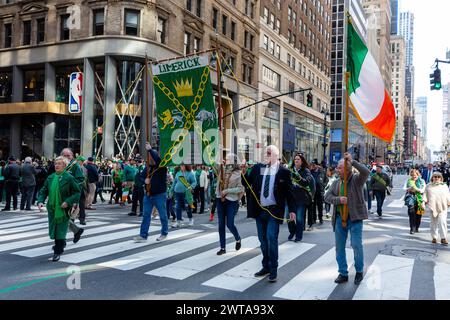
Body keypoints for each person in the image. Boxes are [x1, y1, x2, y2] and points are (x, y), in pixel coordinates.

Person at [246, 145, 296, 283]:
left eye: (268, 153)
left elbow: (289, 192)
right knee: (262, 240)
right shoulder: (258, 168)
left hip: (274, 211)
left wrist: (292, 210)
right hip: (260, 210)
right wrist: (245, 171)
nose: (265, 155)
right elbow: (247, 183)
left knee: (271, 238)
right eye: (264, 153)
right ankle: (266, 266)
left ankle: (273, 269)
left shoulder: (283, 172)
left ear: (276, 155)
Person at [324, 152, 370, 285]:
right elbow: (326, 197)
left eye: (339, 168)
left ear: (347, 168)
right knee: (339, 247)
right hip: (339, 219)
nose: (337, 170)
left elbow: (366, 172)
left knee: (356, 245)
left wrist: (352, 161)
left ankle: (359, 271)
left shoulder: (356, 180)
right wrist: (339, 199)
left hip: (355, 219)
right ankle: (343, 273)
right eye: (337, 168)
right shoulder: (336, 182)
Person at [37, 156, 81, 261]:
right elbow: (43, 191)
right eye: (56, 163)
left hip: (64, 208)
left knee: (60, 229)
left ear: (65, 166)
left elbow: (77, 192)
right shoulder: (50, 177)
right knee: (54, 228)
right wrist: (40, 201)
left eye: (59, 164)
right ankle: (64, 241)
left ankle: (58, 250)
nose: (56, 165)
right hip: (52, 207)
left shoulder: (69, 177)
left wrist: (68, 201)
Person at [133, 142, 169, 242]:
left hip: (160, 194)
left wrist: (150, 150)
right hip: (148, 194)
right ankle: (143, 235)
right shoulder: (148, 168)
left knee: (163, 215)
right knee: (146, 215)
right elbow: (140, 177)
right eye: (149, 157)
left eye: (152, 157)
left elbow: (158, 160)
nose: (150, 159)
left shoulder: (162, 167)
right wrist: (144, 180)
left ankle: (164, 233)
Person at [215, 155, 244, 255]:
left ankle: (238, 238)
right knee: (221, 224)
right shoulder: (221, 169)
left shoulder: (238, 173)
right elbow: (212, 162)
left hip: (231, 200)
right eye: (225, 158)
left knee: (230, 224)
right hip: (220, 199)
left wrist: (227, 191)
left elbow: (240, 188)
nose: (226, 160)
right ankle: (223, 247)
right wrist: (217, 152)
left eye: (228, 159)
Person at [60, 148, 85, 240]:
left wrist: (71, 186)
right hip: (59, 196)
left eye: (68, 155)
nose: (66, 157)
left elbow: (81, 180)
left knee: (63, 218)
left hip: (71, 197)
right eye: (64, 155)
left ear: (72, 156)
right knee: (61, 217)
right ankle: (77, 231)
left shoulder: (75, 166)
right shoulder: (58, 165)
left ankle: (61, 242)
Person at [289, 153, 314, 242]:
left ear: (302, 161)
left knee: (299, 218)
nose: (296, 160)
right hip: (291, 197)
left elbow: (307, 182)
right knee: (290, 218)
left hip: (301, 198)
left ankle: (298, 236)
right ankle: (292, 231)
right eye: (295, 159)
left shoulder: (306, 171)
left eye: (298, 159)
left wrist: (298, 178)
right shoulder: (290, 170)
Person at [424, 172, 450, 245]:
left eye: (438, 177)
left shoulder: (444, 186)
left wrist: (449, 202)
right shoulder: (428, 186)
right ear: (432, 178)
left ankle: (443, 238)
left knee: (442, 222)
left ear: (441, 178)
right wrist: (424, 202)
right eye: (435, 177)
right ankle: (434, 237)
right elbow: (425, 195)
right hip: (432, 207)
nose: (437, 178)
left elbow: (448, 195)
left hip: (443, 206)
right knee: (433, 223)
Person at [405, 169, 426, 234]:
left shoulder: (422, 181)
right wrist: (409, 189)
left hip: (419, 198)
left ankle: (416, 227)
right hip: (411, 197)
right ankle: (412, 229)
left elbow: (423, 190)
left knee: (418, 215)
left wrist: (417, 190)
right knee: (411, 214)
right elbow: (404, 188)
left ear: (418, 175)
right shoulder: (409, 181)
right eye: (412, 175)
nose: (414, 176)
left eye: (415, 175)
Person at [310, 159, 326, 225]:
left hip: (320, 192)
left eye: (314, 165)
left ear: (317, 165)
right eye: (312, 165)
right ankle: (314, 219)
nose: (313, 166)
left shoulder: (322, 172)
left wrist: (323, 185)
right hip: (313, 192)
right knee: (313, 206)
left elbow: (326, 179)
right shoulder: (310, 172)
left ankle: (320, 218)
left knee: (320, 206)